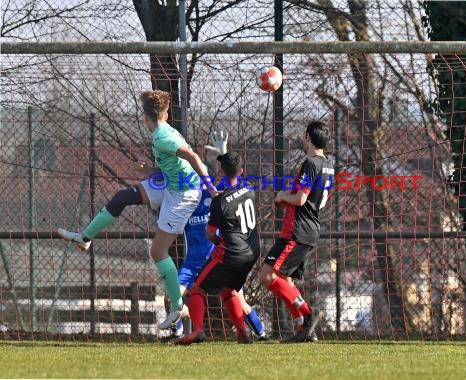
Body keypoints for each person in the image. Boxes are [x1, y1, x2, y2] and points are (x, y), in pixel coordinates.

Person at [57, 90, 220, 330]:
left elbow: (193, 157)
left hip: (183, 194)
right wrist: (150, 172)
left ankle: (177, 307)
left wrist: (211, 188)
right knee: (122, 198)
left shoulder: (163, 136)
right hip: (170, 184)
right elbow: (173, 166)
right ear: (164, 113)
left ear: (145, 117)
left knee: (158, 252)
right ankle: (85, 238)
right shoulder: (162, 133)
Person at [173, 151, 261, 345]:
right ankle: (243, 333)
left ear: (221, 172)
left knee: (197, 289)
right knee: (229, 290)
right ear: (242, 171)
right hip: (253, 251)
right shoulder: (250, 189)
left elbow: (211, 234)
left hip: (231, 253)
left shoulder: (219, 201)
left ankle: (197, 331)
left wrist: (220, 243)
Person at [259, 120, 333, 343]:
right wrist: (289, 201)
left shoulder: (310, 163)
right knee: (286, 280)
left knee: (267, 275)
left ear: (308, 137)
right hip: (310, 229)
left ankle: (309, 314)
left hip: (297, 230)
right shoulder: (328, 164)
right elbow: (314, 200)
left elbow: (301, 199)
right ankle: (303, 329)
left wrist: (282, 196)